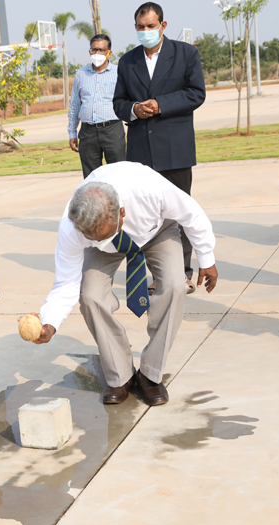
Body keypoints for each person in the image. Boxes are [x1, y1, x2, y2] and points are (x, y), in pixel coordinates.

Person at [34, 161, 218, 406]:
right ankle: (121, 376)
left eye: (103, 235)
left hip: (156, 231)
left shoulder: (150, 190)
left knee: (175, 285)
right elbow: (66, 282)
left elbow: (192, 214)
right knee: (90, 295)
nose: (99, 241)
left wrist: (206, 258)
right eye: (92, 237)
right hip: (103, 241)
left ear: (121, 213)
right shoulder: (74, 225)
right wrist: (50, 323)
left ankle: (150, 375)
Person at [113, 2, 206, 295]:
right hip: (141, 152)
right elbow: (118, 103)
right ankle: (159, 275)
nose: (146, 31)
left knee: (181, 213)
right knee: (147, 217)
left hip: (175, 149)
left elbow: (196, 93)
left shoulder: (186, 54)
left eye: (151, 26)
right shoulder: (127, 61)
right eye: (140, 27)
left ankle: (184, 273)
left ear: (163, 26)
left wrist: (160, 104)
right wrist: (134, 109)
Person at [68, 34, 126, 178]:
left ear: (109, 53)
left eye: (101, 50)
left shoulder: (119, 73)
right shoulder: (81, 74)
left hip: (112, 130)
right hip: (88, 132)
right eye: (94, 50)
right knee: (91, 177)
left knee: (118, 174)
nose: (97, 53)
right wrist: (72, 132)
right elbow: (75, 105)